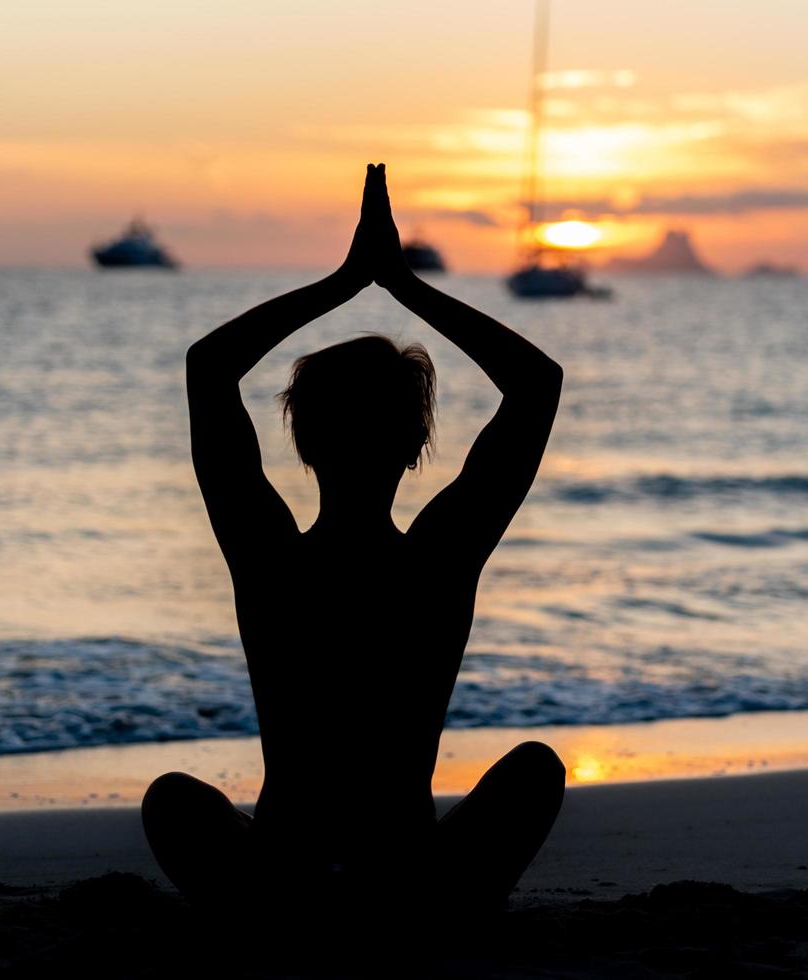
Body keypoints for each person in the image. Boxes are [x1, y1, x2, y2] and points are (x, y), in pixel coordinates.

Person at [142, 164, 565, 920]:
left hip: (284, 874)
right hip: (407, 876)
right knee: (535, 771)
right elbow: (536, 384)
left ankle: (284, 913)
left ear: (303, 444)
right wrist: (401, 284)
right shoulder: (436, 560)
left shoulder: (271, 558)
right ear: (414, 448)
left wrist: (344, 281)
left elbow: (209, 368)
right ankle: (428, 913)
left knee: (174, 802)